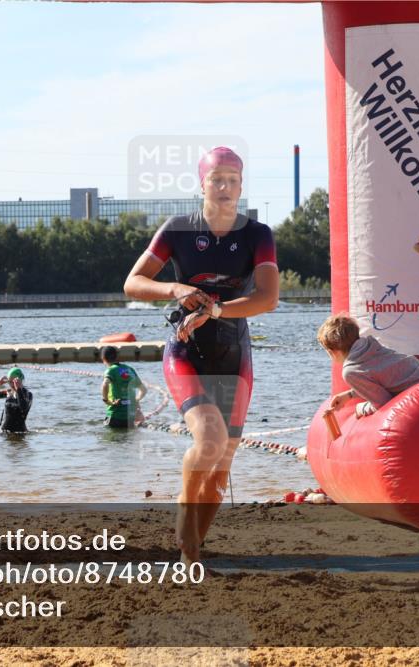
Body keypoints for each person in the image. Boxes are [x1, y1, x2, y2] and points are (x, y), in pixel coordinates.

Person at [124, 146, 280, 564]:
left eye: (232, 179)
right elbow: (133, 282)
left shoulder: (257, 234)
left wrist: (217, 309)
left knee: (220, 472)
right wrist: (175, 289)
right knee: (208, 439)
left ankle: (194, 547)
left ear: (242, 185)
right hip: (186, 352)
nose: (225, 186)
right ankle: (186, 531)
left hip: (234, 353)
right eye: (217, 179)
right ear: (203, 184)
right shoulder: (177, 229)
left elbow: (267, 298)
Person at [318, 313, 419, 418]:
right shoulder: (369, 345)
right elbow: (385, 378)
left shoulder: (351, 371)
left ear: (332, 352)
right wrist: (350, 395)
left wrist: (361, 409)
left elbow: (384, 403)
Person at [100, 345, 147, 428]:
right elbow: (143, 390)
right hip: (130, 417)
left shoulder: (111, 370)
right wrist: (135, 400)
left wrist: (106, 400)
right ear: (117, 356)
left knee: (111, 439)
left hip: (115, 414)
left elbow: (105, 384)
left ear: (103, 359)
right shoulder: (130, 369)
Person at [0, 367, 33, 433]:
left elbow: (23, 408)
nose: (11, 384)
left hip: (20, 433)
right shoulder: (9, 392)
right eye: (9, 382)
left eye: (14, 382)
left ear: (20, 380)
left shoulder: (28, 394)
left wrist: (18, 389)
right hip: (4, 432)